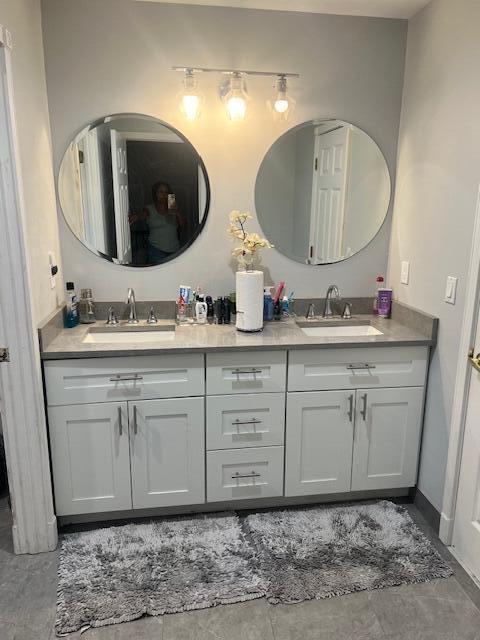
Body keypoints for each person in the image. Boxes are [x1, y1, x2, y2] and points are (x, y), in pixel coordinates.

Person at [129, 182, 186, 263]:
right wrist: (136, 217)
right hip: (156, 250)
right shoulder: (149, 208)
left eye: (166, 192)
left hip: (175, 250)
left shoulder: (173, 209)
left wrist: (177, 212)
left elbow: (183, 225)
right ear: (155, 194)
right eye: (160, 192)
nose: (163, 195)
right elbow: (143, 214)